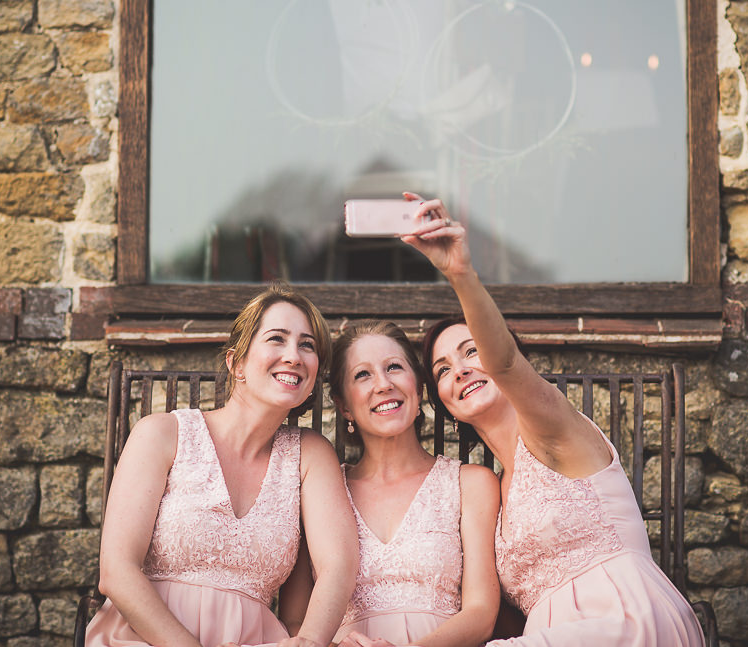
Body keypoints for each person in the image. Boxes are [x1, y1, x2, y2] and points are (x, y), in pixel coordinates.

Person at [401, 195, 705, 647]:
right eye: (443, 369)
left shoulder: (554, 429)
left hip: (624, 621)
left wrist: (460, 274)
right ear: (444, 403)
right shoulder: (492, 492)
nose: (460, 370)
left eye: (470, 351)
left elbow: (502, 364)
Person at [85, 283, 359, 647]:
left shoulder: (310, 455)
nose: (294, 355)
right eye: (277, 339)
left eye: (307, 345)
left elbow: (337, 567)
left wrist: (308, 642)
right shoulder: (162, 434)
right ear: (237, 362)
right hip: (146, 638)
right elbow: (116, 572)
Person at [323, 320, 501, 647]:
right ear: (344, 405)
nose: (383, 384)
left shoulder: (470, 484)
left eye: (394, 367)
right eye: (363, 374)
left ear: (418, 389)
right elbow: (299, 620)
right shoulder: (325, 490)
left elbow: (482, 612)